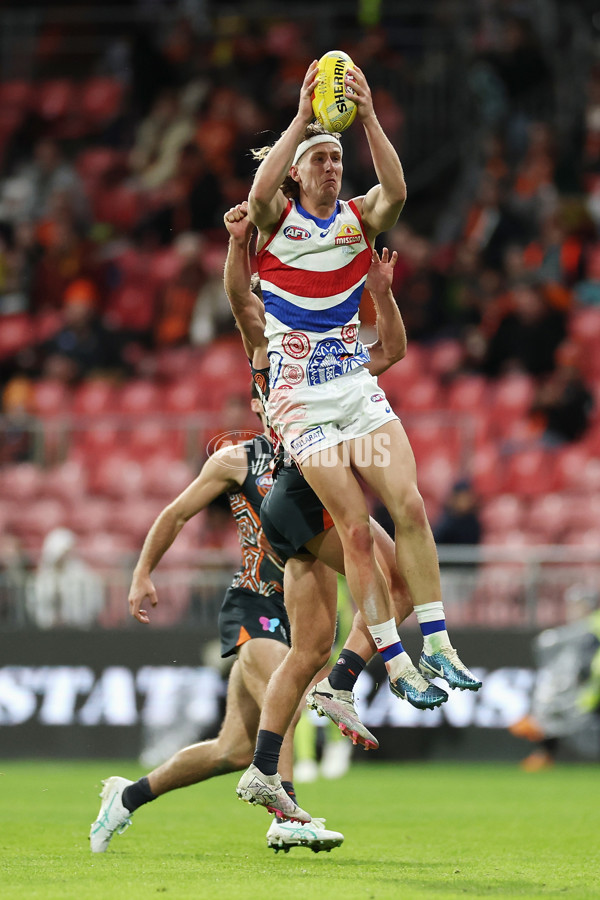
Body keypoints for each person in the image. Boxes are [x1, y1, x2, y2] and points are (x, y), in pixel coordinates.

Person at [234, 59, 481, 815]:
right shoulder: (273, 224)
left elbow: (399, 194)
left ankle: (427, 646)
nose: (334, 167)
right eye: (322, 157)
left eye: (339, 158)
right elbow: (252, 196)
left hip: (354, 391)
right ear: (296, 172)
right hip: (302, 408)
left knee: (407, 507)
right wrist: (304, 118)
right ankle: (381, 669)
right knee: (356, 533)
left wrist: (367, 118)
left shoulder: (357, 221)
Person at [89, 388, 344, 854]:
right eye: (272, 396)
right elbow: (177, 512)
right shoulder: (237, 460)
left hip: (299, 611)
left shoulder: (325, 453)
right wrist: (142, 572)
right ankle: (285, 814)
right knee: (283, 692)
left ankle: (127, 797)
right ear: (258, 405)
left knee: (233, 751)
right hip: (254, 602)